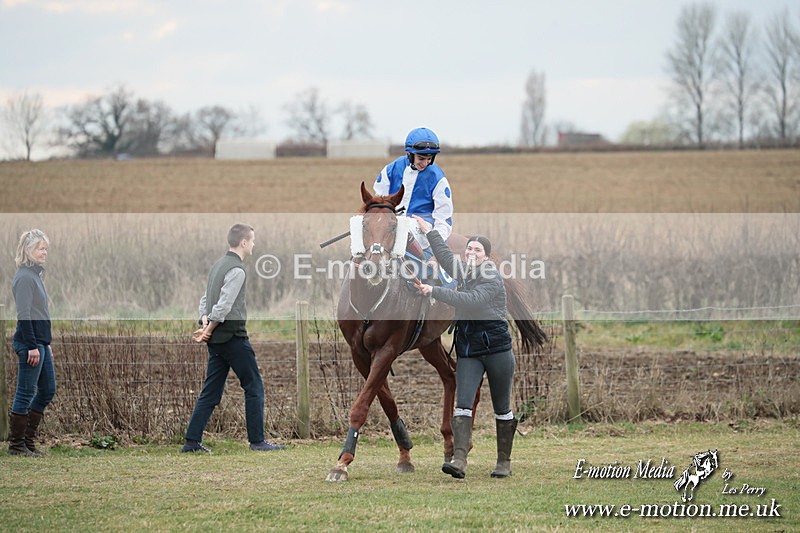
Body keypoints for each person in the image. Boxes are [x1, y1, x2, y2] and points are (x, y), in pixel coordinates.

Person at [412, 215, 517, 479]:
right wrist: (430, 232)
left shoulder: (491, 277)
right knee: (463, 404)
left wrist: (433, 291)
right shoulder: (465, 270)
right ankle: (459, 459)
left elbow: (471, 300)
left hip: (497, 351)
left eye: (477, 250)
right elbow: (446, 257)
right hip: (469, 350)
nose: (471, 252)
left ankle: (503, 462)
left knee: (502, 408)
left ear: (486, 256)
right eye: (469, 248)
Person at [183, 224, 284, 453]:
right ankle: (257, 441)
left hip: (217, 341)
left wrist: (205, 323)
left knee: (211, 391)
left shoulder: (218, 265)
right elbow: (224, 305)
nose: (254, 244)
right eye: (252, 240)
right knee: (254, 386)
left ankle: (191, 442)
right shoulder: (237, 270)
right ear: (244, 242)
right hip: (233, 338)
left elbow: (205, 300)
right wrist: (209, 328)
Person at [373, 127, 453, 260]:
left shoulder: (438, 178)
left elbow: (443, 218)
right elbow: (378, 203)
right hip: (390, 229)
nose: (425, 163)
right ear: (409, 154)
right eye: (421, 158)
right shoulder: (391, 169)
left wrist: (437, 250)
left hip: (422, 236)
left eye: (429, 159)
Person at [9, 229, 56, 456]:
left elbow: (39, 314)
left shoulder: (35, 275)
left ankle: (27, 442)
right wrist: (31, 346)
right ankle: (17, 446)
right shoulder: (25, 278)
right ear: (28, 250)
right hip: (30, 344)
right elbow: (24, 315)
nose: (44, 252)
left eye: (45, 248)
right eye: (40, 248)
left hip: (40, 343)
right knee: (25, 393)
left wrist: (46, 343)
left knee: (47, 390)